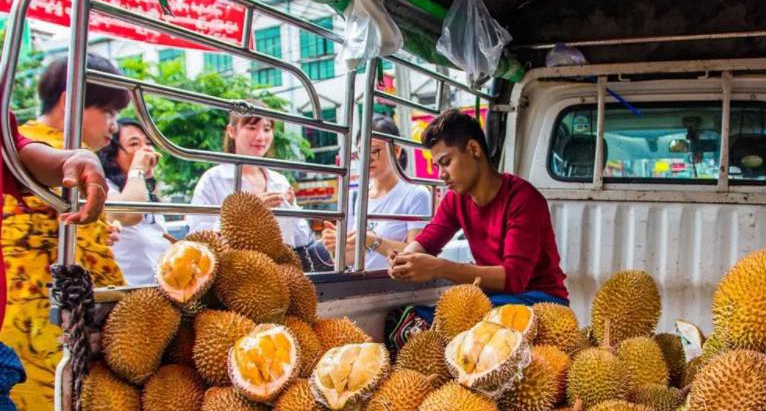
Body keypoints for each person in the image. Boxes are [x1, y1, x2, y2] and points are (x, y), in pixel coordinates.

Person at [2, 55, 129, 411]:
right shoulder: (50, 152)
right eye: (107, 111)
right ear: (72, 100)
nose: (113, 125)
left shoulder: (34, 149)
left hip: (39, 338)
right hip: (44, 343)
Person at [387, 109, 569, 331]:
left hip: (542, 303)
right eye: (437, 166)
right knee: (407, 316)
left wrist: (439, 267)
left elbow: (513, 279)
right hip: (494, 300)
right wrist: (405, 258)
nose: (440, 175)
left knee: (447, 319)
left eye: (446, 162)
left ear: (473, 149)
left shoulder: (523, 199)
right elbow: (428, 241)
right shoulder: (456, 200)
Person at [186, 107, 318, 257]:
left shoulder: (279, 181)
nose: (261, 137)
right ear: (232, 131)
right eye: (251, 128)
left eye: (267, 129)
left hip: (280, 270)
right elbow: (199, 243)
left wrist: (290, 209)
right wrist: (247, 214)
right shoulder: (213, 180)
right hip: (234, 273)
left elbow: (302, 239)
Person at [320, 115, 430, 270]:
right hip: (363, 286)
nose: (367, 158)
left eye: (374, 151)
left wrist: (372, 240)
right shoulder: (358, 196)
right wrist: (337, 246)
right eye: (361, 152)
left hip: (398, 287)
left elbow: (418, 257)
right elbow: (353, 259)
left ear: (396, 151)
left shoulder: (416, 194)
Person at [98, 118, 172, 285]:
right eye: (134, 144)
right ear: (112, 155)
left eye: (147, 143)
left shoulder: (148, 194)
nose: (145, 150)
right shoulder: (104, 186)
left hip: (156, 295)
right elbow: (127, 213)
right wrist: (137, 168)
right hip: (122, 295)